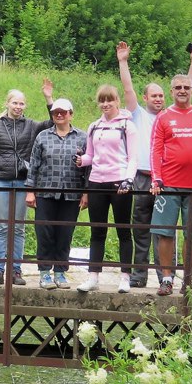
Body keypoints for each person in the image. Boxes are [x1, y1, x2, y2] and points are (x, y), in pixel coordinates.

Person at [116, 41, 192, 287]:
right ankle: (139, 275)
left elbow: (188, 86)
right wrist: (123, 61)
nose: (159, 99)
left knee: (165, 230)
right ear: (145, 98)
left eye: (161, 95)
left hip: (167, 178)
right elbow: (128, 88)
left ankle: (167, 276)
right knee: (140, 228)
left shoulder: (170, 115)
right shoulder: (138, 114)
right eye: (154, 95)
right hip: (143, 178)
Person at [149, 72, 192, 297]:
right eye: (178, 87)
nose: (182, 90)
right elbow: (155, 149)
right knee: (165, 233)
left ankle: (187, 280)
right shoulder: (163, 117)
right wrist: (156, 178)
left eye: (186, 87)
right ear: (171, 91)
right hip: (168, 184)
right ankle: (167, 279)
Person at [0, 80, 55, 287]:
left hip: (23, 180)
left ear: (25, 106)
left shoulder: (31, 126)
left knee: (19, 228)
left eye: (21, 104)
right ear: (7, 104)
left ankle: (16, 270)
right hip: (0, 181)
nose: (18, 107)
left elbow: (52, 122)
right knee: (1, 227)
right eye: (15, 103)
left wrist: (49, 98)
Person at [76, 85, 139, 293]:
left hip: (119, 182)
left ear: (116, 101)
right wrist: (80, 160)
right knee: (97, 230)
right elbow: (90, 157)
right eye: (102, 101)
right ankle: (93, 276)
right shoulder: (94, 126)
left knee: (123, 230)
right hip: (96, 181)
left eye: (109, 100)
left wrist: (128, 180)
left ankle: (125, 277)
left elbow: (133, 157)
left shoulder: (127, 126)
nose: (105, 104)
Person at [26, 98, 88, 289]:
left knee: (65, 233)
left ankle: (60, 273)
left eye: (63, 112)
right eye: (55, 112)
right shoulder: (43, 136)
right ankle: (44, 273)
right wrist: (30, 191)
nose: (59, 115)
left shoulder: (83, 137)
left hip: (71, 194)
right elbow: (34, 164)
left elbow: (88, 168)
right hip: (45, 192)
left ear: (71, 113)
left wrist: (86, 193)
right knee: (44, 232)